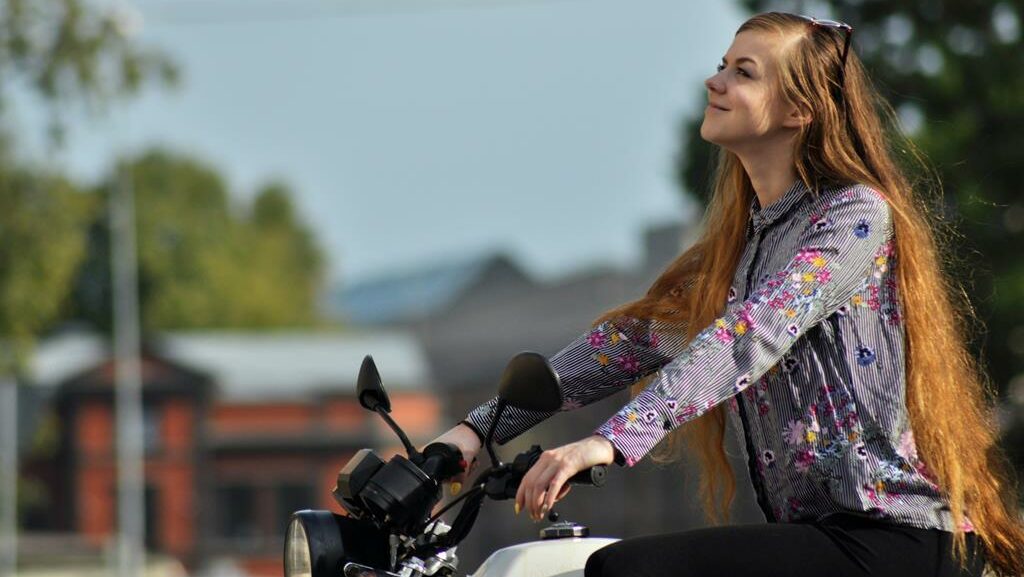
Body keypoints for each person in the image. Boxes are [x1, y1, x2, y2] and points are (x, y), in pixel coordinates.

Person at [430, 11, 1024, 577]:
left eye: (744, 72)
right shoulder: (737, 250)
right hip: (821, 539)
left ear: (800, 110)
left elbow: (753, 333)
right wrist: (478, 431)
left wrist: (609, 442)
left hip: (895, 538)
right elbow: (628, 345)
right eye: (723, 64)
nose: (714, 81)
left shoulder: (854, 216)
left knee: (624, 569)